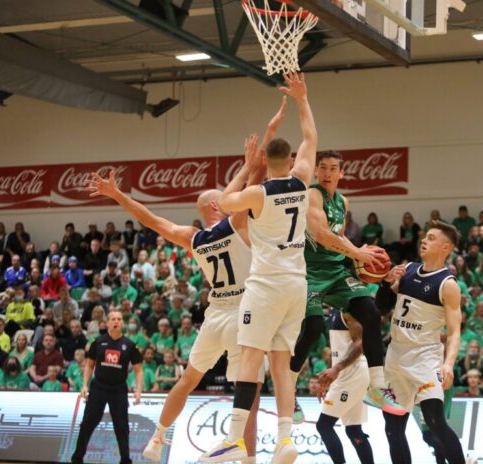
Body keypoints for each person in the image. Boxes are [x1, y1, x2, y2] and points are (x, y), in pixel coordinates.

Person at [87, 110, 284, 464]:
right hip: (243, 313)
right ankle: (247, 458)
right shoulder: (236, 223)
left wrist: (117, 195)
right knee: (250, 390)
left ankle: (158, 437)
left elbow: (149, 219)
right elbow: (257, 177)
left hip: (215, 315)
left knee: (189, 378)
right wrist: (258, 150)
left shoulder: (193, 237)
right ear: (218, 205)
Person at [208, 72, 317, 463]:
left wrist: (245, 166)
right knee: (281, 364)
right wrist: (302, 99)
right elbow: (310, 138)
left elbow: (223, 202)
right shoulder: (302, 181)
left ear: (265, 161)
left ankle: (234, 439)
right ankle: (285, 439)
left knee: (250, 357)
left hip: (266, 286)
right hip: (297, 285)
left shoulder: (257, 194)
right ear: (291, 160)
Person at [289, 148, 396, 424]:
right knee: (313, 329)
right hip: (310, 271)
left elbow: (338, 236)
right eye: (323, 167)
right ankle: (287, 391)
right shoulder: (312, 195)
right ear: (316, 171)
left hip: (336, 271)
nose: (327, 173)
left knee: (371, 313)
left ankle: (377, 386)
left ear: (342, 173)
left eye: (333, 168)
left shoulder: (343, 202)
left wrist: (361, 257)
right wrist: (358, 253)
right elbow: (321, 234)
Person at [380, 221, 467, 464]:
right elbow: (382, 306)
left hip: (425, 357)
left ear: (445, 247)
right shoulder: (407, 269)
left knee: (435, 420)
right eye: (424, 237)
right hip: (396, 356)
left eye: (431, 238)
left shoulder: (448, 284)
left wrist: (448, 364)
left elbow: (454, 332)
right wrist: (386, 282)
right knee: (392, 428)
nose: (424, 241)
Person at [70, 310, 143, 464]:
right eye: (113, 319)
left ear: (122, 323)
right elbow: (89, 365)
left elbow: (138, 370)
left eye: (119, 319)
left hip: (118, 389)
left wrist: (138, 390)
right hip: (98, 388)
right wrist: (84, 385)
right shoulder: (98, 342)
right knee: (87, 424)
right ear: (108, 322)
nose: (116, 321)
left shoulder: (130, 345)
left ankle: (125, 460)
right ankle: (77, 459)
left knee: (122, 427)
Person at [315, 310, 374, 464]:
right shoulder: (335, 311)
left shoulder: (349, 309)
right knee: (354, 430)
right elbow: (338, 352)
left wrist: (337, 368)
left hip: (352, 373)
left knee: (324, 426)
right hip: (348, 373)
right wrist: (328, 378)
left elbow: (361, 345)